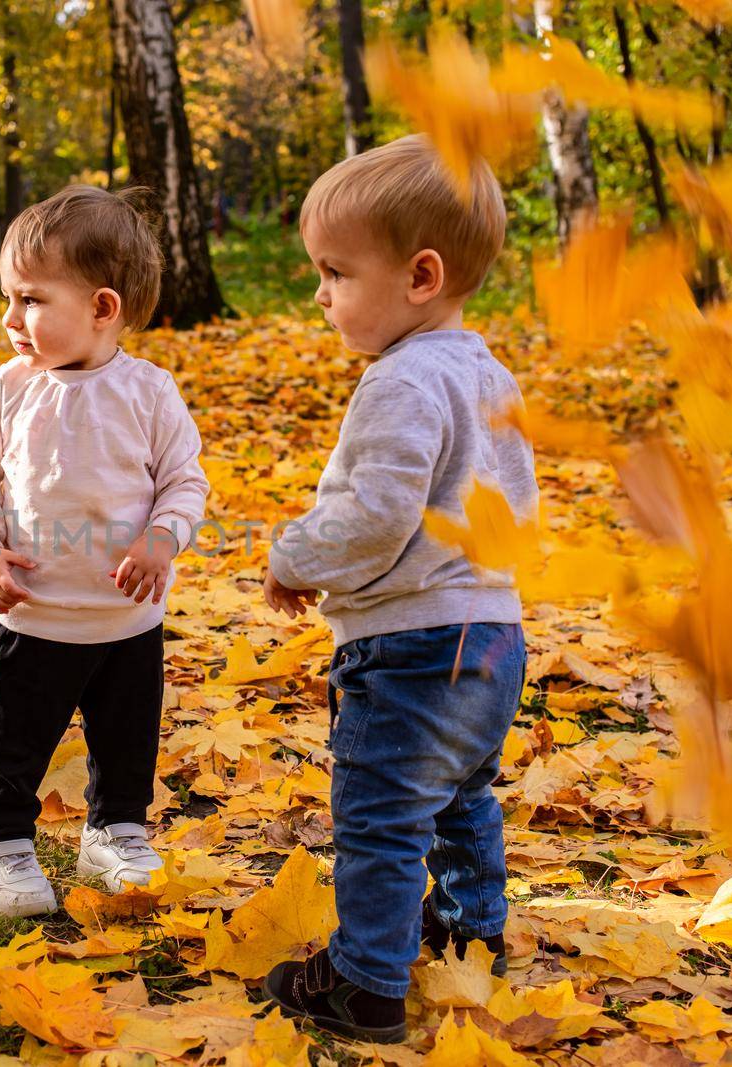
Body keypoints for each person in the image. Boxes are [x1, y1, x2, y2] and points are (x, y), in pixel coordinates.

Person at [259, 135, 536, 1042]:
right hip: (492, 633)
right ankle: (471, 932)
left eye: (335, 273)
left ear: (420, 276)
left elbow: (378, 515)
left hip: (412, 644)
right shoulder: (489, 375)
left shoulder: (401, 381)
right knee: (462, 794)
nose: (322, 293)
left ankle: (366, 979)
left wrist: (296, 557)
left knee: (378, 812)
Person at [0, 185, 210, 918]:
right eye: (8, 298)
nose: (11, 318)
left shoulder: (149, 394)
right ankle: (2, 848)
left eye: (30, 299)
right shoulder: (8, 391)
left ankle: (116, 831)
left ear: (102, 307)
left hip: (128, 618)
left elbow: (184, 483)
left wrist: (162, 539)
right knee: (15, 741)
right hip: (34, 616)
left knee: (126, 738)